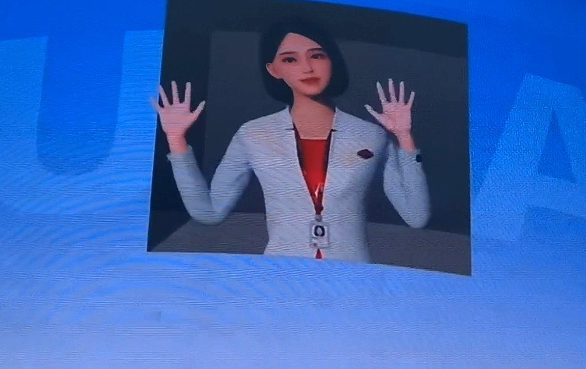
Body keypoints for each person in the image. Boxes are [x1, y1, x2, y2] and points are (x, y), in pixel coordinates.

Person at [154, 20, 430, 262]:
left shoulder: (370, 134)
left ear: (331, 60)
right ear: (273, 69)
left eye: (317, 56)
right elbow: (209, 212)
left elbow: (416, 216)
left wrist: (405, 138)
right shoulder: (253, 134)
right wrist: (176, 141)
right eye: (290, 60)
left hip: (351, 277)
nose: (307, 68)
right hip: (284, 277)